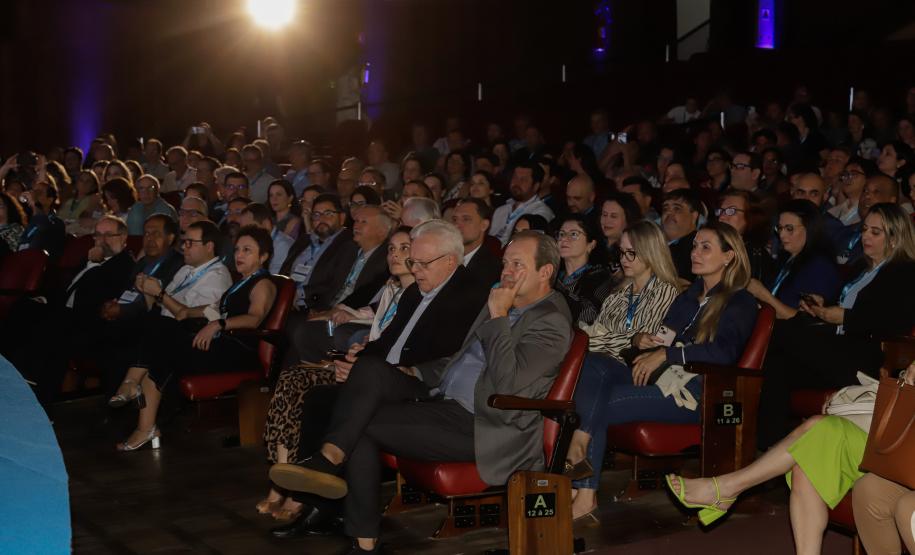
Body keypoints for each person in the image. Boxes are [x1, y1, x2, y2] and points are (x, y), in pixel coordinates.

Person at [268, 231, 572, 553]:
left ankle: (361, 535)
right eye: (506, 263)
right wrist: (415, 371)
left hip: (485, 424)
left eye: (517, 264)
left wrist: (498, 316)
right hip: (445, 402)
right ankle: (333, 466)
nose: (507, 271)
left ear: (545, 272)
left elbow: (508, 383)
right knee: (369, 370)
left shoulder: (549, 320)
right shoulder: (501, 301)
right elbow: (459, 361)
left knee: (360, 423)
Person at [261, 223, 490, 531]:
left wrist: (377, 368)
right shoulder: (415, 292)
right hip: (384, 376)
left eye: (422, 263)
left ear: (450, 261)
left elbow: (447, 356)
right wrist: (356, 360)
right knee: (320, 399)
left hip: (422, 384)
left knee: (366, 380)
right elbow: (387, 341)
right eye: (413, 262)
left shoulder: (470, 295)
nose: (415, 269)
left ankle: (328, 463)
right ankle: (320, 504)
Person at [566, 221, 758, 520]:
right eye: (694, 246)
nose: (695, 253)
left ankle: (583, 489)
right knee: (594, 364)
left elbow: (723, 353)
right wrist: (641, 343)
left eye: (705, 247)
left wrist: (667, 354)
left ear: (728, 256)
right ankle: (580, 467)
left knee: (597, 403)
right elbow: (663, 339)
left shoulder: (740, 300)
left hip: (694, 391)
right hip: (660, 379)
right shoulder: (688, 298)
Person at [756, 203, 915, 449]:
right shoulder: (862, 268)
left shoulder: (905, 271)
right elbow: (847, 309)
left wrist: (845, 318)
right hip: (838, 348)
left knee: (783, 332)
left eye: (875, 232)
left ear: (895, 238)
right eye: (864, 229)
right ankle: (771, 447)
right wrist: (824, 306)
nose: (865, 236)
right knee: (779, 364)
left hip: (867, 356)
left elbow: (896, 320)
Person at [110, 224, 273, 451]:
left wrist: (218, 324)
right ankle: (144, 423)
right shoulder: (241, 282)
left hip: (237, 351)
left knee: (162, 338)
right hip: (221, 341)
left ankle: (133, 390)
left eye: (247, 250)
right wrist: (188, 312)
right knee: (160, 340)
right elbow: (214, 309)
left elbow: (254, 318)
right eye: (237, 249)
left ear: (263, 256)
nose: (239, 255)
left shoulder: (263, 283)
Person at [1, 216, 135, 401]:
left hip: (91, 321)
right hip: (66, 314)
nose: (102, 240)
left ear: (123, 237)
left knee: (47, 321)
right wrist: (45, 299)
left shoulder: (124, 264)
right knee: (23, 306)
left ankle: (30, 380)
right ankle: (9, 370)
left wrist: (95, 265)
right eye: (98, 235)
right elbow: (68, 289)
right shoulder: (89, 259)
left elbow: (94, 298)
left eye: (108, 235)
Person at [746, 200, 841, 319]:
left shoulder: (819, 267)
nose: (782, 235)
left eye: (789, 228)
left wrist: (762, 294)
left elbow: (803, 320)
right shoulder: (787, 259)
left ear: (809, 228)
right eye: (779, 228)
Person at [554, 214, 612, 325]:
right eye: (561, 234)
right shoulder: (553, 275)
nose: (564, 239)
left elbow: (589, 314)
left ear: (591, 244)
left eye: (573, 234)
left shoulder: (601, 277)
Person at [715, 189, 775, 283]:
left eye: (731, 211)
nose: (722, 217)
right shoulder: (715, 247)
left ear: (751, 216)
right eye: (721, 211)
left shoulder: (755, 255)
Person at [489, 161, 555, 245]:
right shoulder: (501, 209)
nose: (516, 183)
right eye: (515, 177)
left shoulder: (541, 212)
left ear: (535, 186)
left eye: (523, 179)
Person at [451, 198, 502, 286]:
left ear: (484, 225)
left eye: (466, 219)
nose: (456, 225)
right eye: (455, 219)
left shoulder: (493, 269)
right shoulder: (440, 257)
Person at [239, 203, 294, 275]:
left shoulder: (283, 246)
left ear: (266, 224)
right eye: (243, 230)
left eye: (250, 228)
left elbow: (274, 278)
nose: (246, 234)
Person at [18, 176, 66, 257]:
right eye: (33, 192)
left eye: (38, 193)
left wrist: (34, 204)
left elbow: (42, 229)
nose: (34, 195)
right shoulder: (25, 218)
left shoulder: (56, 223)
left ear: (50, 200)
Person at [662, 188, 702, 282]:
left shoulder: (697, 249)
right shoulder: (654, 244)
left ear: (694, 216)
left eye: (677, 208)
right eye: (665, 209)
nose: (668, 212)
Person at [59, 170, 102, 236]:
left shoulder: (95, 198)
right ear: (77, 183)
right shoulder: (69, 201)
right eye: (81, 180)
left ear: (94, 186)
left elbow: (85, 216)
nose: (84, 183)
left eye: (88, 181)